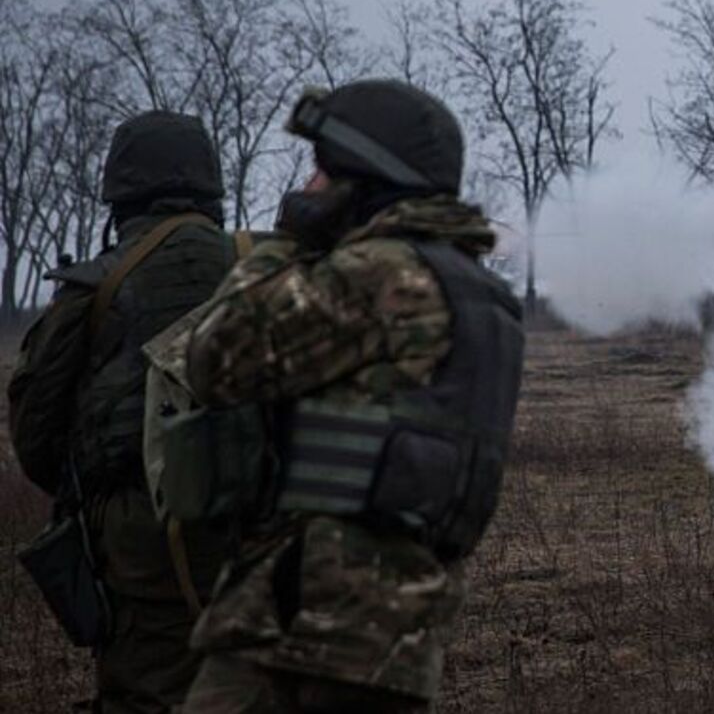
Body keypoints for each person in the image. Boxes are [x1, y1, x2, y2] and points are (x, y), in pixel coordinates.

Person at [173, 80, 524, 713]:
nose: (309, 186)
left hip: (300, 624)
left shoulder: (382, 273)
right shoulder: (482, 293)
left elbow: (213, 358)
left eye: (322, 172)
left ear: (366, 177)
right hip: (399, 629)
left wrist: (289, 240)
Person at [8, 111, 236, 713]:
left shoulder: (95, 287)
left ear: (120, 195)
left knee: (149, 693)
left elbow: (35, 436)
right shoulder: (266, 269)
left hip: (144, 539)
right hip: (269, 528)